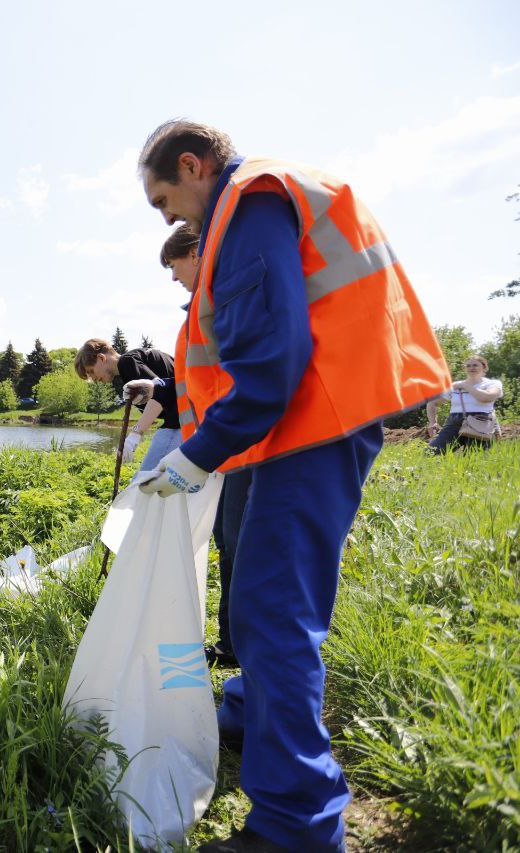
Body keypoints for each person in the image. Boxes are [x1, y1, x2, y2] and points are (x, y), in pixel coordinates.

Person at [135, 119, 450, 852]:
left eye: (164, 199)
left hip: (308, 428)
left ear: (194, 163)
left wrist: (195, 453)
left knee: (275, 614)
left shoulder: (248, 200)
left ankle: (296, 824)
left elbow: (271, 361)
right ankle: (248, 708)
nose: (169, 216)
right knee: (251, 601)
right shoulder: (241, 211)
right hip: (277, 435)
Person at [156, 223, 246, 668]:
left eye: (174, 265)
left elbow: (236, 382)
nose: (173, 276)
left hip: (235, 451)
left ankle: (239, 650)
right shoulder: (204, 307)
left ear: (196, 253)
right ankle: (231, 645)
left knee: (237, 548)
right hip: (219, 453)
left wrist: (206, 453)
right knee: (227, 547)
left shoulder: (225, 302)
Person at [74, 339, 181, 478]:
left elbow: (160, 396)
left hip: (180, 421)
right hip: (190, 417)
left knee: (143, 482)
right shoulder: (132, 363)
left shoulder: (127, 363)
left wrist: (135, 435)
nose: (93, 378)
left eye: (91, 371)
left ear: (101, 358)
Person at [425, 354, 503, 453]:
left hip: (481, 422)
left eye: (475, 365)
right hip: (454, 422)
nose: (471, 368)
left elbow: (486, 397)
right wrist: (433, 422)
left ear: (484, 367)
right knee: (431, 453)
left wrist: (466, 386)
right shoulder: (455, 386)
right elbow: (432, 402)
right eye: (468, 366)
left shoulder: (492, 384)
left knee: (474, 459)